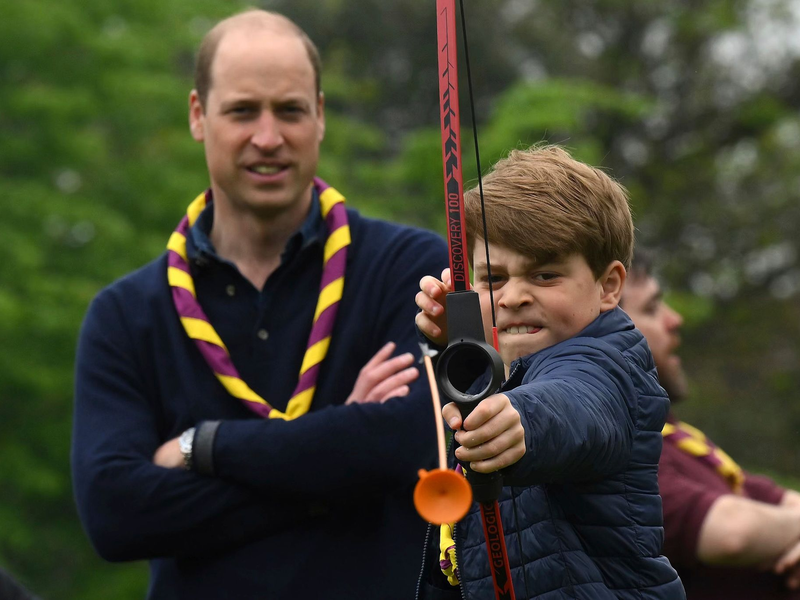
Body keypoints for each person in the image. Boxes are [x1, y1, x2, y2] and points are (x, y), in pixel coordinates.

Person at [71, 9, 449, 599]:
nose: (268, 138)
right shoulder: (124, 315)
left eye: (290, 110)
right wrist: (341, 453)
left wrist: (203, 447)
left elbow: (407, 443)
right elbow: (115, 516)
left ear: (320, 115)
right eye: (243, 110)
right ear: (198, 115)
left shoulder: (413, 269)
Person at [414, 145, 684, 599]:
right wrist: (457, 347)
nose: (513, 297)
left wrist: (520, 421)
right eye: (493, 279)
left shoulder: (608, 362)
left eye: (544, 276)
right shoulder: (505, 365)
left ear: (608, 286)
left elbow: (575, 405)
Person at [620, 249, 800, 598]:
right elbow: (734, 531)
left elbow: (770, 498)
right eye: (652, 309)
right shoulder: (621, 447)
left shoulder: (674, 436)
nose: (675, 320)